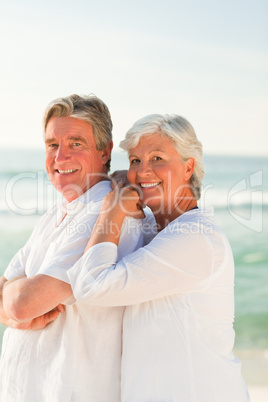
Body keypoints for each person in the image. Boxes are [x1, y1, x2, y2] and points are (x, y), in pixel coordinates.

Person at [68, 114, 250, 402]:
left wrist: (111, 210)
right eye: (135, 161)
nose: (143, 172)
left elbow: (91, 286)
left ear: (188, 167)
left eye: (157, 158)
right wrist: (119, 182)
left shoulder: (196, 238)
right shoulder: (158, 229)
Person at [0, 94, 149, 402]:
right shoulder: (58, 212)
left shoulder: (106, 214)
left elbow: (21, 302)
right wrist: (13, 308)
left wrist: (16, 306)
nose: (60, 157)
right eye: (52, 144)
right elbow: (5, 289)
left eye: (76, 143)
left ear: (105, 150)